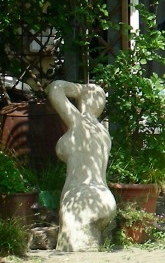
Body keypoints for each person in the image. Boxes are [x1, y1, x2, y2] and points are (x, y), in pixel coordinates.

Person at [47, 80, 116, 251]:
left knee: (72, 249)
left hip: (81, 196)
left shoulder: (78, 122)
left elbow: (55, 88)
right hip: (105, 197)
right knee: (96, 246)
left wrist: (80, 90)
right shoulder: (102, 132)